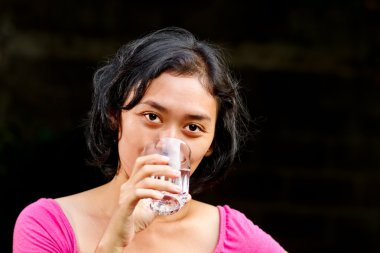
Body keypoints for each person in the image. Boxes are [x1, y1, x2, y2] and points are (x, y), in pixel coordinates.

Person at [13, 27, 286, 253]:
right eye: (152, 117)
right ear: (114, 116)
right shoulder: (49, 225)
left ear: (213, 142)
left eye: (192, 127)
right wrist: (114, 242)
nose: (168, 141)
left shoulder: (232, 236)